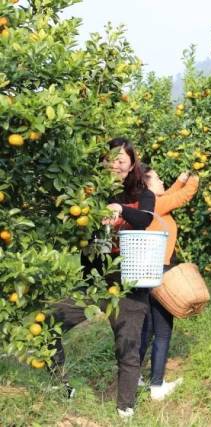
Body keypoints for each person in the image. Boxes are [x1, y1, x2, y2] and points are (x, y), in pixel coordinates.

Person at [50, 138, 155, 418]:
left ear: (132, 163)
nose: (115, 165)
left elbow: (145, 219)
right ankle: (59, 386)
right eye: (110, 159)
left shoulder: (142, 194)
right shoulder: (90, 193)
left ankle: (125, 410)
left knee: (127, 346)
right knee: (48, 323)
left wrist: (120, 209)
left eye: (121, 160)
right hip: (93, 279)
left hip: (128, 280)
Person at [137, 165, 199, 400]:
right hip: (160, 274)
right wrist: (194, 179)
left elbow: (170, 195)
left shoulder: (151, 204)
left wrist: (180, 179)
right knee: (163, 331)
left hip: (147, 273)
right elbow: (180, 198)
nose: (163, 181)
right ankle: (157, 387)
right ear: (148, 186)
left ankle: (136, 377)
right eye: (159, 179)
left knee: (148, 329)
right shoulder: (153, 203)